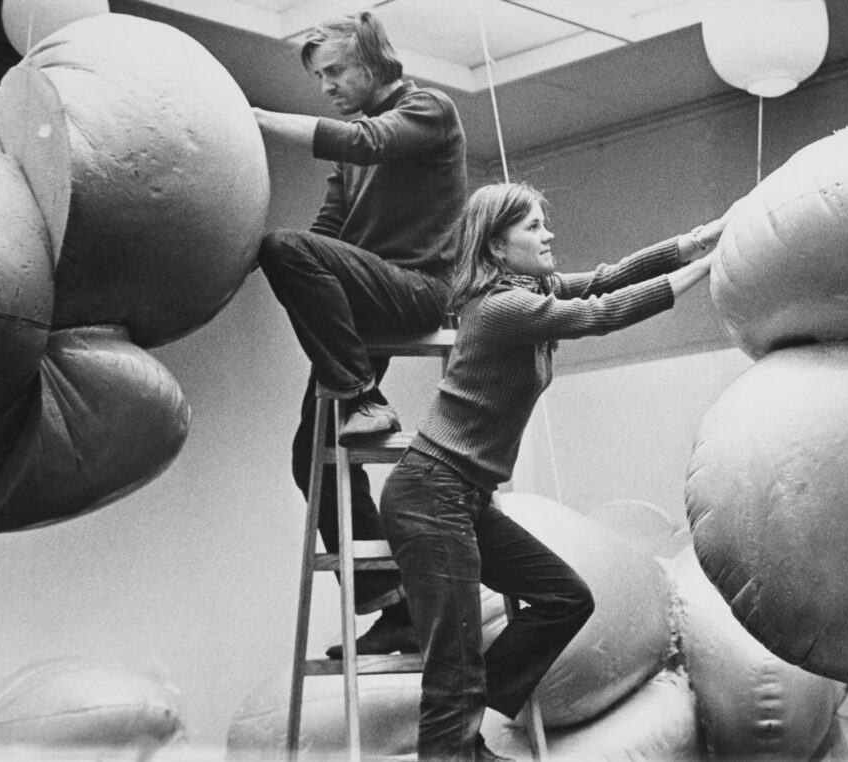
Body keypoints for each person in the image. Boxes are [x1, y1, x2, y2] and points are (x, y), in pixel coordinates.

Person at [379, 181, 727, 761]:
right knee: (454, 662)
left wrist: (698, 240)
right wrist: (711, 267)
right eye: (534, 227)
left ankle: (465, 718)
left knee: (563, 597)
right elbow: (602, 313)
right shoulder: (501, 308)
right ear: (495, 248)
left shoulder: (529, 288)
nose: (549, 235)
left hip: (466, 497)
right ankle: (457, 733)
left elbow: (604, 278)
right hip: (430, 493)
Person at [253, 10, 467, 658]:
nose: (328, 87)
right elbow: (326, 231)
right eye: (320, 77)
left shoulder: (430, 110)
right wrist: (257, 260)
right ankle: (392, 604)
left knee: (283, 249)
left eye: (337, 70)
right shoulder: (353, 156)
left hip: (419, 293)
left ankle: (362, 397)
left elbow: (368, 142)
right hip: (364, 303)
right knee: (307, 456)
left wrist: (254, 121)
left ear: (375, 61)